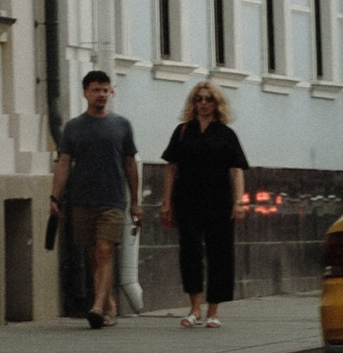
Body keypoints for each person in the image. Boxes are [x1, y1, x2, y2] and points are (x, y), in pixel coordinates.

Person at [52, 67, 138, 328]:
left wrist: (135, 201)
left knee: (104, 249)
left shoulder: (121, 125)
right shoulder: (74, 127)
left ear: (110, 91)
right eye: (95, 90)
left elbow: (130, 164)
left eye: (104, 89)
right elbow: (64, 163)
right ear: (85, 93)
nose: (100, 94)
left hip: (112, 200)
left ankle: (98, 307)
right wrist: (54, 197)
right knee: (93, 253)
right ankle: (108, 301)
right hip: (81, 199)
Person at [160, 79, 249, 326]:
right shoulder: (183, 131)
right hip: (187, 200)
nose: (203, 104)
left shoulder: (226, 134)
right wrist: (166, 202)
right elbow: (171, 168)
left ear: (217, 103)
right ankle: (194, 307)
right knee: (190, 251)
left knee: (220, 253)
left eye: (208, 99)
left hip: (219, 200)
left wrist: (239, 203)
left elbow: (236, 169)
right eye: (198, 99)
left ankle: (214, 311)